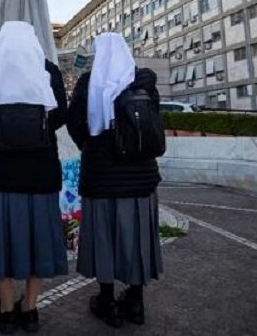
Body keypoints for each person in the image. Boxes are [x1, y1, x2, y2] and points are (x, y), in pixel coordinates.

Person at [0, 21, 68, 334]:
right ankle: (30, 307)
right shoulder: (49, 70)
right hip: (40, 172)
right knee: (39, 241)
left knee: (0, 241)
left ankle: (7, 308)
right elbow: (59, 115)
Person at [67, 33, 163, 328]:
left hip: (101, 178)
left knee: (104, 239)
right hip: (140, 178)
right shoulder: (143, 81)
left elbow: (75, 124)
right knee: (138, 239)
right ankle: (135, 301)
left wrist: (91, 145)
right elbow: (153, 122)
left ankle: (107, 301)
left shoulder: (88, 83)